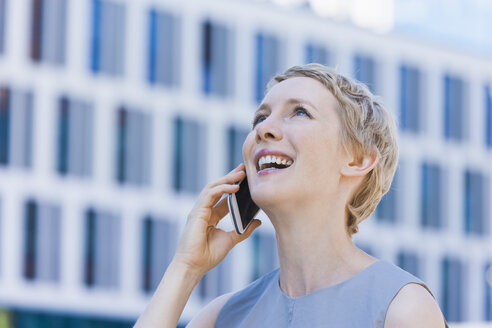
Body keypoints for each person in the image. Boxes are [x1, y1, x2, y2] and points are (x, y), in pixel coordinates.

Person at [134, 64, 448, 327]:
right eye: (260, 118)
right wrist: (185, 267)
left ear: (357, 160)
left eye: (299, 112)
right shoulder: (222, 317)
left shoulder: (403, 307)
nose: (263, 130)